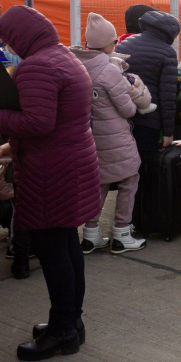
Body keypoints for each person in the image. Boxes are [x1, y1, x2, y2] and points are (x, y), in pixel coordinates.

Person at [0, 5, 101, 362]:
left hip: (51, 172)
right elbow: (57, 117)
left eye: (6, 40)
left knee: (54, 254)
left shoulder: (36, 65)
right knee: (66, 246)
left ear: (20, 36)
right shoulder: (64, 57)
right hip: (72, 164)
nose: (7, 47)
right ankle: (71, 322)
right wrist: (11, 141)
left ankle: (61, 330)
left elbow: (38, 122)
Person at [72, 13, 146, 255]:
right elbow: (128, 109)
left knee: (99, 183)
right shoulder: (109, 69)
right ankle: (122, 234)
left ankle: (91, 234)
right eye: (114, 41)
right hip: (115, 138)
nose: (116, 44)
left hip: (89, 138)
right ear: (107, 43)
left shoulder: (77, 65)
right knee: (129, 180)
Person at [116, 10, 181, 155]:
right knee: (147, 165)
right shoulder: (167, 52)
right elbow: (168, 97)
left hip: (124, 116)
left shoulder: (125, 44)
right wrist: (169, 132)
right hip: (149, 121)